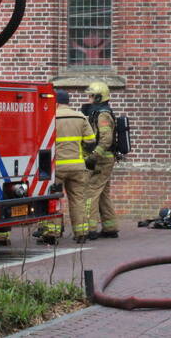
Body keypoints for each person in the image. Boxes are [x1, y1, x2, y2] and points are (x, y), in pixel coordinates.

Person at [41, 89, 96, 244]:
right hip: (78, 167)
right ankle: (81, 233)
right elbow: (91, 142)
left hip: (56, 168)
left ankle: (51, 234)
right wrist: (81, 154)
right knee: (78, 199)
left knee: (53, 200)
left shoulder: (50, 117)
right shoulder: (80, 117)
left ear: (56, 102)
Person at [82, 81, 119, 240]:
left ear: (98, 97)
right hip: (104, 159)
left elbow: (106, 139)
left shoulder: (103, 114)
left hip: (102, 159)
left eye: (91, 96)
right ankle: (110, 228)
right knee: (103, 194)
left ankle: (90, 229)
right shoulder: (98, 112)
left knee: (90, 192)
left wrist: (93, 157)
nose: (88, 99)